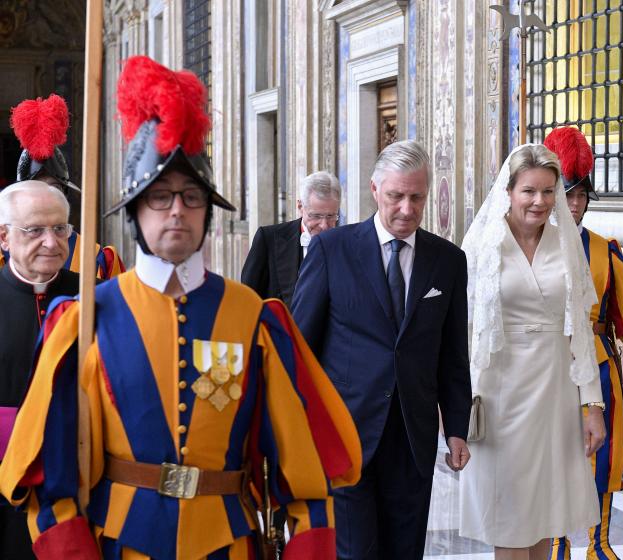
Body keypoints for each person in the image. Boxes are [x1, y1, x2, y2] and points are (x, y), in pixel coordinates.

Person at [0, 55, 361, 559]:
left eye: (192, 196)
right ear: (133, 211)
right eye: (159, 196)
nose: (176, 209)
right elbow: (50, 490)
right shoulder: (84, 321)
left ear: (209, 211)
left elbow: (307, 485)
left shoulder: (255, 319)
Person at [291, 140, 471, 560]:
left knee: (404, 551)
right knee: (355, 552)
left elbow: (452, 352)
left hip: (413, 435)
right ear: (374, 190)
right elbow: (300, 346)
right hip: (346, 433)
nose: (407, 209)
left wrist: (458, 426)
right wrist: (299, 428)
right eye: (396, 196)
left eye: (417, 197)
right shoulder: (331, 250)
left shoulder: (448, 261)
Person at [459, 143, 606, 560]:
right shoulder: (482, 244)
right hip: (497, 391)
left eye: (547, 191)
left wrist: (592, 404)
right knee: (507, 512)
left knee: (544, 511)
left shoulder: (566, 244)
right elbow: (462, 329)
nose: (539, 201)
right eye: (529, 191)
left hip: (556, 388)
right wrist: (451, 402)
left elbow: (580, 327)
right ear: (509, 191)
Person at [544, 127, 623, 560]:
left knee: (598, 460)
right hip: (544, 369)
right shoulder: (526, 247)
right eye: (570, 194)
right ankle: (557, 545)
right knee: (551, 461)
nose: (577, 204)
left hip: (599, 371)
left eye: (582, 195)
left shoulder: (605, 251)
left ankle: (599, 545)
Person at [0, 181, 83, 560]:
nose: (52, 242)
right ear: (4, 237)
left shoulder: (99, 298)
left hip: (79, 483)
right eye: (35, 230)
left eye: (61, 228)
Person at [5, 94, 124, 279]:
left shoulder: (97, 258)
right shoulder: (3, 254)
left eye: (54, 188)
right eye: (35, 187)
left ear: (65, 196)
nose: (45, 198)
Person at [241, 170, 341, 302]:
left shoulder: (347, 244)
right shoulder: (268, 239)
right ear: (300, 206)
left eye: (331, 216)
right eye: (316, 216)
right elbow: (248, 299)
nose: (324, 225)